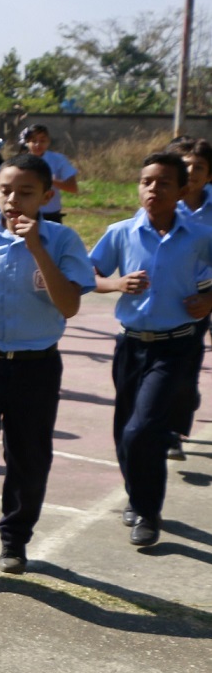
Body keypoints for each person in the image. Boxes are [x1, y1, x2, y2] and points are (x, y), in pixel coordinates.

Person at [0, 153, 95, 576]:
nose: (12, 200)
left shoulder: (62, 240)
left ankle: (14, 541)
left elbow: (69, 305)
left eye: (25, 193)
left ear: (46, 197)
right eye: (6, 190)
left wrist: (36, 248)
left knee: (28, 458)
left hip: (36, 365)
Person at [89, 151, 212, 549]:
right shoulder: (120, 232)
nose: (153, 189)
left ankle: (148, 511)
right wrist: (117, 284)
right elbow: (90, 274)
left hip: (176, 347)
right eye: (146, 182)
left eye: (163, 183)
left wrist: (210, 300)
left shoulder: (199, 237)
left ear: (182, 189)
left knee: (145, 429)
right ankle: (135, 493)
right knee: (126, 431)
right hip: (131, 345)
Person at [166, 137, 212, 461]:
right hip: (174, 295)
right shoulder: (164, 203)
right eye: (186, 166)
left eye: (199, 167)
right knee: (177, 366)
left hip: (207, 294)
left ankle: (183, 403)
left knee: (187, 367)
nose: (192, 172)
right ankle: (172, 433)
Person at [21, 124, 78, 224]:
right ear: (27, 142)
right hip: (25, 213)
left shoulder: (58, 160)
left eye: (42, 141)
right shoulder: (20, 162)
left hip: (51, 215)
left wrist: (50, 180)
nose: (38, 144)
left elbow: (72, 187)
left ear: (48, 141)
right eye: (33, 141)